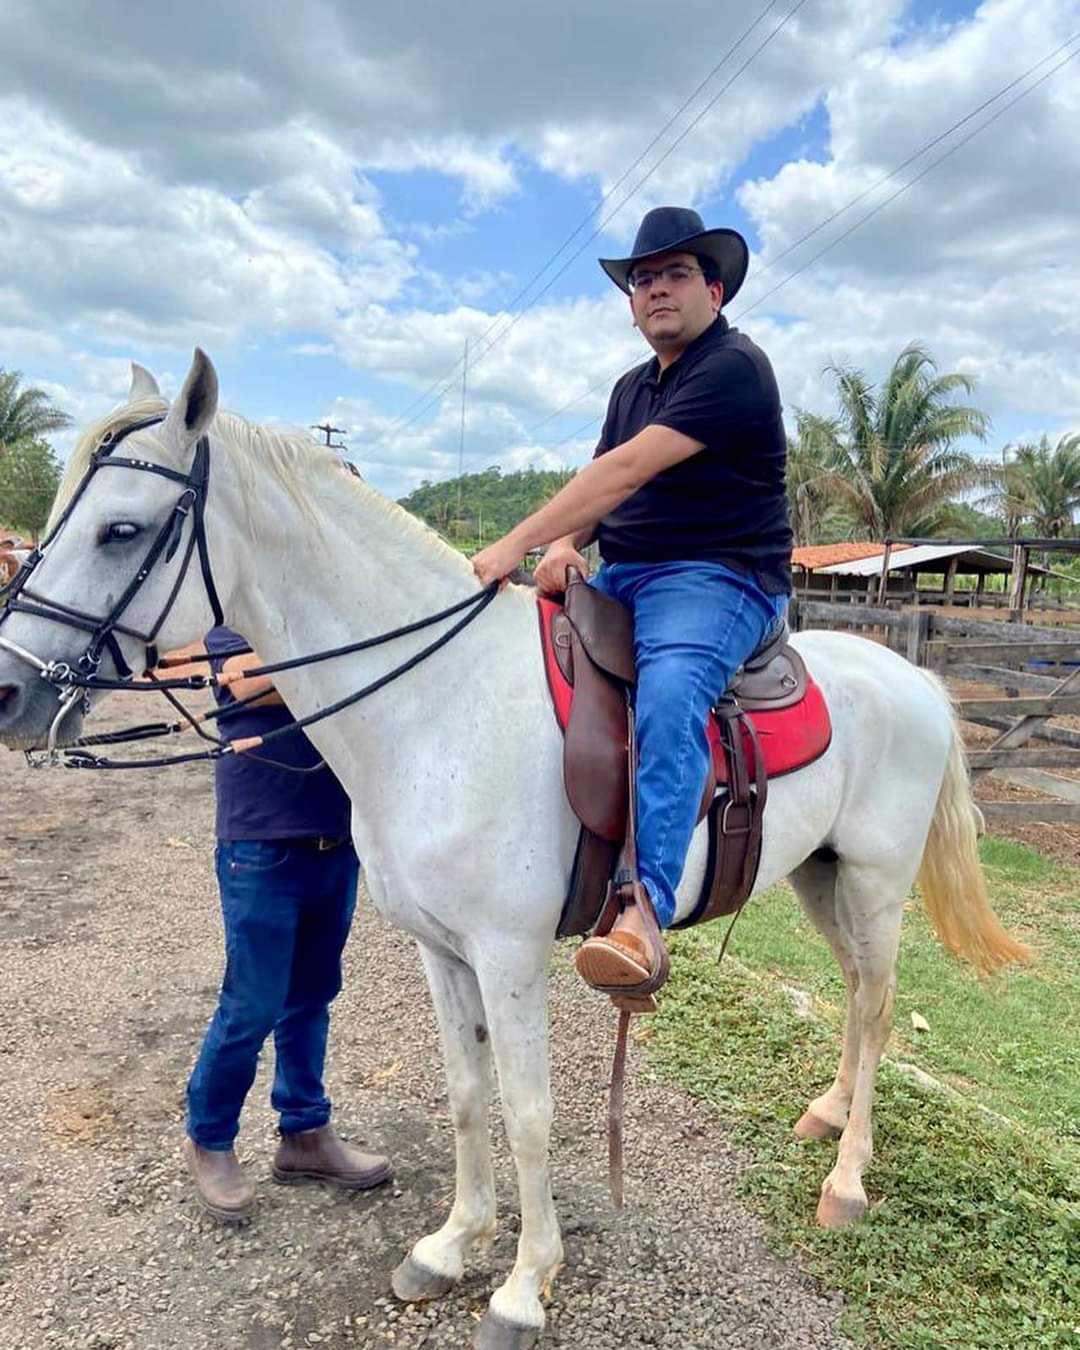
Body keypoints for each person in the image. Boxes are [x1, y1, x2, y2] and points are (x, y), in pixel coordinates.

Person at [471, 206, 792, 995]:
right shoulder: (630, 388)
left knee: (671, 693)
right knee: (518, 658)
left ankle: (643, 909)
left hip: (718, 576)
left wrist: (514, 544)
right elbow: (599, 488)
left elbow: (625, 472)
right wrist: (564, 544)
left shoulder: (734, 368)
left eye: (676, 274)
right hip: (626, 571)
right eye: (643, 280)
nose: (656, 290)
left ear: (714, 291)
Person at [183, 626, 392, 1223]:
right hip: (261, 840)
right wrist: (351, 649)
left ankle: (304, 1132)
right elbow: (246, 682)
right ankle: (209, 1138)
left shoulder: (321, 612)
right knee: (252, 1002)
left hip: (336, 839)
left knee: (312, 996)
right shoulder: (240, 618)